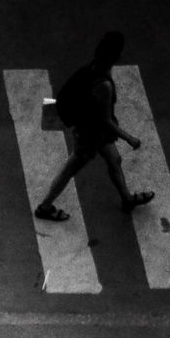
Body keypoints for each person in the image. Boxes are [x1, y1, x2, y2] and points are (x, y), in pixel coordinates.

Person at [34, 31, 155, 221]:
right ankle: (45, 206)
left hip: (96, 131)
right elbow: (105, 120)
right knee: (69, 170)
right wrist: (129, 138)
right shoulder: (104, 85)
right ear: (117, 56)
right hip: (90, 134)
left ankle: (127, 199)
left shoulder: (92, 68)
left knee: (114, 160)